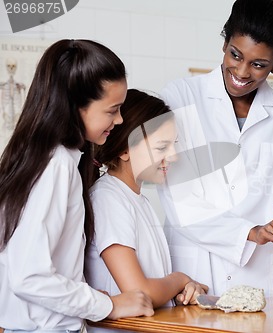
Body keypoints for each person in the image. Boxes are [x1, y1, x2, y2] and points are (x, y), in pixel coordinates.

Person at [157, 0, 273, 298]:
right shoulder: (180, 96)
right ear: (225, 43)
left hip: (261, 272)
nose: (242, 72)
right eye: (235, 55)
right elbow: (177, 196)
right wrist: (249, 232)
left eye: (258, 65)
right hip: (194, 270)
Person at [0, 39, 153, 333]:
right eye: (112, 110)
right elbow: (29, 276)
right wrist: (110, 306)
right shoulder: (55, 165)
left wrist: (94, 300)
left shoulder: (46, 158)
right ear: (75, 106)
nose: (119, 120)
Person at [84, 89, 208, 323]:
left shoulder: (138, 200)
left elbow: (153, 286)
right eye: (162, 147)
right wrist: (180, 279)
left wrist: (184, 289)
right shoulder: (108, 199)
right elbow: (138, 292)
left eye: (174, 145)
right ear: (124, 150)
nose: (173, 156)